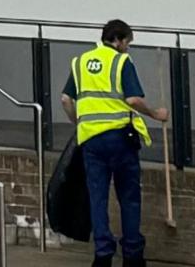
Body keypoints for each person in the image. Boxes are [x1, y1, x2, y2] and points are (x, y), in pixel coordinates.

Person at [58, 19, 167, 267]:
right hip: (120, 139)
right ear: (118, 40)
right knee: (128, 197)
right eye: (127, 42)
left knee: (97, 197)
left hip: (91, 142)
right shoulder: (121, 62)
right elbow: (133, 100)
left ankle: (103, 255)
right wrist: (155, 114)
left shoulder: (80, 62)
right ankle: (132, 255)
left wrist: (79, 122)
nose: (128, 48)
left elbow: (65, 99)